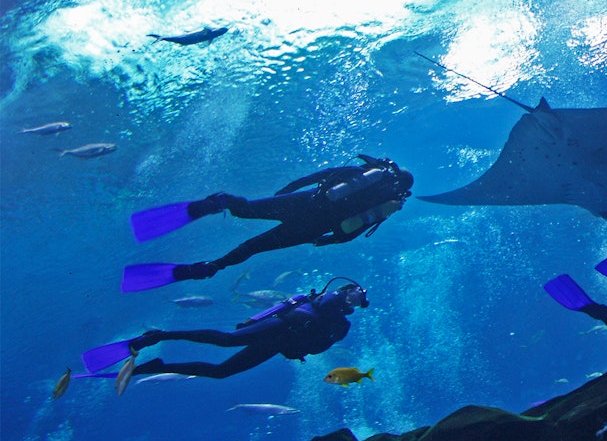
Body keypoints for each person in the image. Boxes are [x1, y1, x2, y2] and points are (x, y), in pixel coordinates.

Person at [122, 155, 414, 291]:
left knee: (245, 209)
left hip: (306, 202)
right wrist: (324, 239)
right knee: (253, 246)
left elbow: (323, 175)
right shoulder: (385, 205)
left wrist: (292, 186)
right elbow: (353, 232)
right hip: (312, 228)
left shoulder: (367, 172)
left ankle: (220, 202)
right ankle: (212, 267)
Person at [80, 279, 369, 379]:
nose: (356, 300)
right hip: (275, 328)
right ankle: (157, 335)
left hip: (277, 345)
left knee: (221, 372)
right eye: (355, 294)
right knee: (226, 340)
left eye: (359, 299)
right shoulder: (326, 299)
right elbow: (281, 307)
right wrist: (254, 321)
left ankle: (157, 366)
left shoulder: (343, 324)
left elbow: (322, 347)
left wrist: (300, 350)